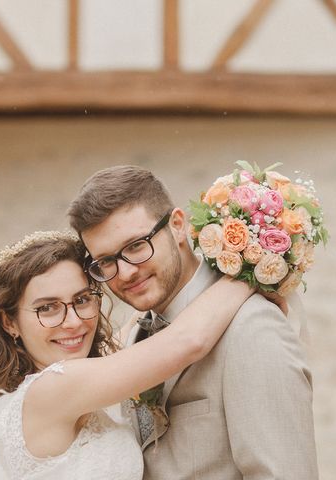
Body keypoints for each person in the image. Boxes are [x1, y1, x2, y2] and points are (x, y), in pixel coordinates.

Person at [68, 165, 319, 480]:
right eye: (106, 261)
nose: (126, 272)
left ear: (176, 225)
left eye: (135, 246)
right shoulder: (134, 332)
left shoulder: (252, 328)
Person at [0, 230, 254, 479]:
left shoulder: (86, 375)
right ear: (10, 322)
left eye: (82, 299)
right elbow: (187, 340)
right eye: (47, 307)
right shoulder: (53, 389)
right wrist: (259, 268)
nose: (73, 322)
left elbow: (145, 322)